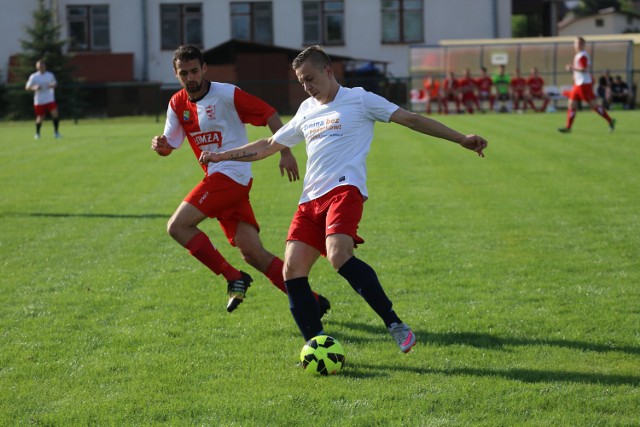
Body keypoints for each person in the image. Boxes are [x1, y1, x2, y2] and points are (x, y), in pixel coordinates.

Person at [199, 45, 488, 353]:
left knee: (339, 255)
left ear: (328, 71)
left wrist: (461, 139)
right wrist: (222, 155)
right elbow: (269, 144)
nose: (307, 86)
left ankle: (395, 323)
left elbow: (412, 119)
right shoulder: (306, 110)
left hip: (344, 190)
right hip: (309, 200)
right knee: (292, 271)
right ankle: (315, 344)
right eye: (301, 81)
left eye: (310, 78)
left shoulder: (360, 99)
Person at [150, 45, 330, 313]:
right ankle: (314, 302)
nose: (191, 78)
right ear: (176, 75)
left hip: (232, 176)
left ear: (204, 69)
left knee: (177, 226)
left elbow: (269, 113)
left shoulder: (226, 94)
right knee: (253, 254)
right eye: (184, 73)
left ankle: (234, 277)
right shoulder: (177, 104)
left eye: (195, 71)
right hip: (220, 181)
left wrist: (285, 152)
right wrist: (160, 145)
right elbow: (170, 146)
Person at [558, 37, 615, 133]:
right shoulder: (578, 55)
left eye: (580, 43)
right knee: (571, 104)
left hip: (584, 84)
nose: (577, 45)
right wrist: (574, 74)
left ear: (584, 44)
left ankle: (610, 120)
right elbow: (580, 70)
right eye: (576, 43)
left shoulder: (583, 55)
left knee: (593, 105)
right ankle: (568, 127)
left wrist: (572, 68)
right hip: (578, 84)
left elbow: (584, 69)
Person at [25, 59, 61, 139]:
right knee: (40, 117)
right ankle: (37, 134)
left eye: (42, 65)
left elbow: (55, 84)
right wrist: (35, 88)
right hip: (39, 100)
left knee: (55, 114)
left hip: (50, 99)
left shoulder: (50, 75)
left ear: (45, 66)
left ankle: (56, 133)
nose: (41, 67)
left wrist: (52, 85)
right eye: (39, 66)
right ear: (37, 67)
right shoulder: (34, 76)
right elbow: (27, 87)